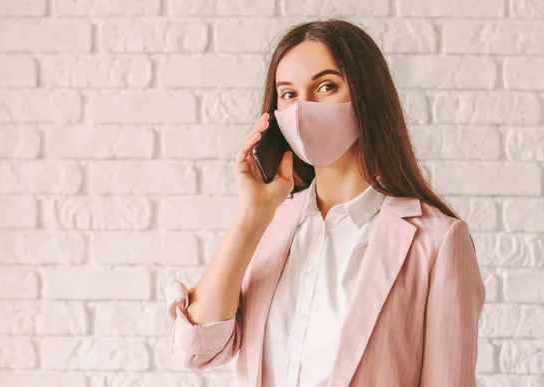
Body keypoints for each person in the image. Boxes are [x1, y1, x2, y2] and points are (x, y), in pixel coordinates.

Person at [164, 18, 486, 387]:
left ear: (366, 96)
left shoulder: (436, 241)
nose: (304, 108)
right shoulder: (271, 226)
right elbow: (196, 349)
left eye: (326, 86)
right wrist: (251, 215)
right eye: (288, 94)